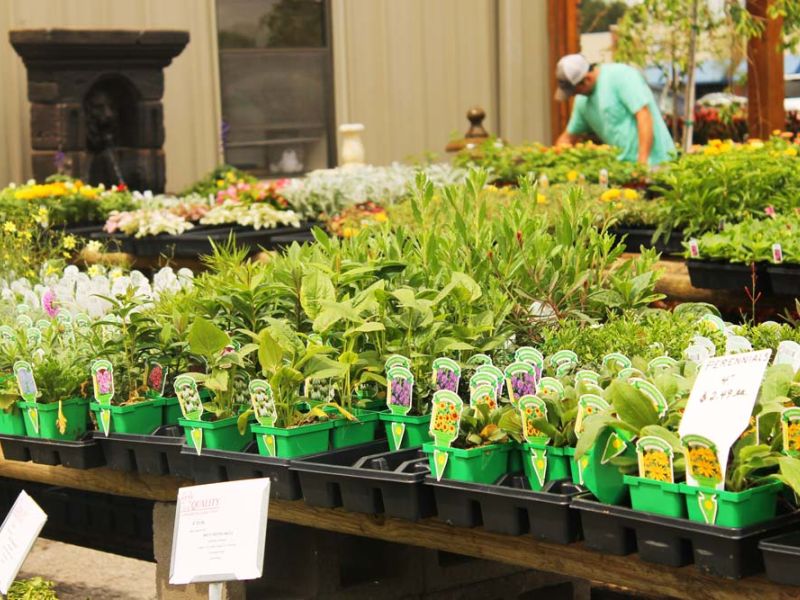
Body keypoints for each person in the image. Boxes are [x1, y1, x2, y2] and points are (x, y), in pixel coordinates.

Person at [554, 54, 674, 166]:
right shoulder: (582, 101)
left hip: (655, 162)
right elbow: (568, 137)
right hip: (623, 168)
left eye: (575, 91)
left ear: (587, 79)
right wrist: (559, 154)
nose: (574, 95)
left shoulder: (621, 76)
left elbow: (644, 115)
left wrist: (642, 165)